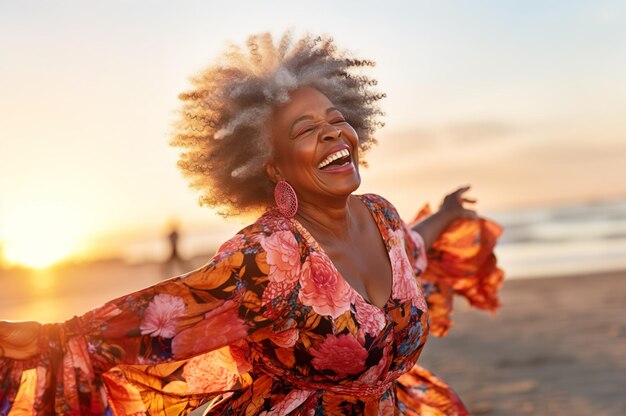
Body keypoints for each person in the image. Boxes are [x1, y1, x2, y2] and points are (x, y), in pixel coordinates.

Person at [0, 33, 503, 415]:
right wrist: (45, 340)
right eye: (306, 130)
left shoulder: (381, 214)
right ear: (274, 166)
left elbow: (413, 248)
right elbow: (161, 316)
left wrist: (447, 212)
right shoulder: (267, 256)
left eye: (335, 119)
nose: (332, 133)